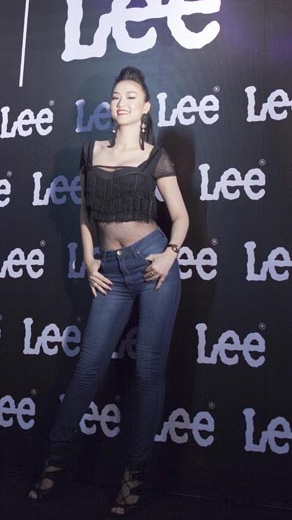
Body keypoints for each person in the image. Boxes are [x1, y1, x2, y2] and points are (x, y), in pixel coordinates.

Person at [27, 66, 189, 516]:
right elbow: (85, 211)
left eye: (131, 96)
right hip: (111, 273)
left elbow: (180, 216)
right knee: (86, 369)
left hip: (153, 265)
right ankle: (54, 463)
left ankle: (134, 475)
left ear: (146, 107)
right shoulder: (92, 151)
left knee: (148, 373)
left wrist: (170, 254)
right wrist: (90, 259)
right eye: (116, 96)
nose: (122, 103)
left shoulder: (155, 156)